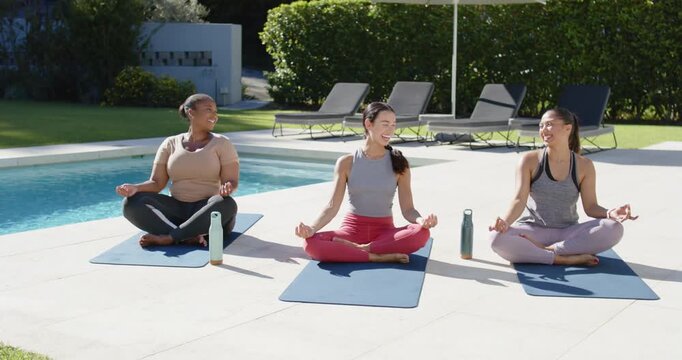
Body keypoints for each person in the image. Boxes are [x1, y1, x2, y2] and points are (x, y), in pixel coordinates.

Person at [489, 107, 638, 266]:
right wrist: (505, 222)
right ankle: (563, 258)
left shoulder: (584, 165)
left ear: (568, 128)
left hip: (568, 232)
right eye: (541, 126)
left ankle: (548, 250)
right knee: (496, 238)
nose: (543, 130)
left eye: (549, 124)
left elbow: (590, 207)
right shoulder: (529, 160)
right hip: (533, 230)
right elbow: (519, 199)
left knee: (614, 228)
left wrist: (609, 213)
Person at [295, 102, 437, 263]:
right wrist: (312, 229)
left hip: (385, 233)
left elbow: (408, 209)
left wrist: (421, 221)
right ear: (368, 124)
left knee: (422, 233)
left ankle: (363, 250)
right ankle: (377, 256)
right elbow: (332, 206)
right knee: (310, 244)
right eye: (385, 124)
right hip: (351, 230)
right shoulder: (346, 162)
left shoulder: (399, 163)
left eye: (393, 125)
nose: (390, 130)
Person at [115, 93, 239, 247]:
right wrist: (135, 188)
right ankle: (186, 236)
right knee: (131, 203)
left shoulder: (222, 143)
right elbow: (156, 183)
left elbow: (231, 181)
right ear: (191, 112)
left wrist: (227, 187)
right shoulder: (170, 143)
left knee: (227, 204)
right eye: (209, 110)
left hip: (206, 211)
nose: (215, 116)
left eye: (215, 111)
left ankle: (170, 237)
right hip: (176, 209)